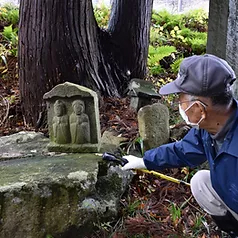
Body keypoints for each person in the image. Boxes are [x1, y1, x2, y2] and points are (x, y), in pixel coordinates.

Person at [122, 54, 238, 238]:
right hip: (232, 196)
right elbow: (183, 150)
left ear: (200, 108)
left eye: (181, 100)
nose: (179, 106)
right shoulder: (207, 128)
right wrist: (143, 161)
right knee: (200, 182)